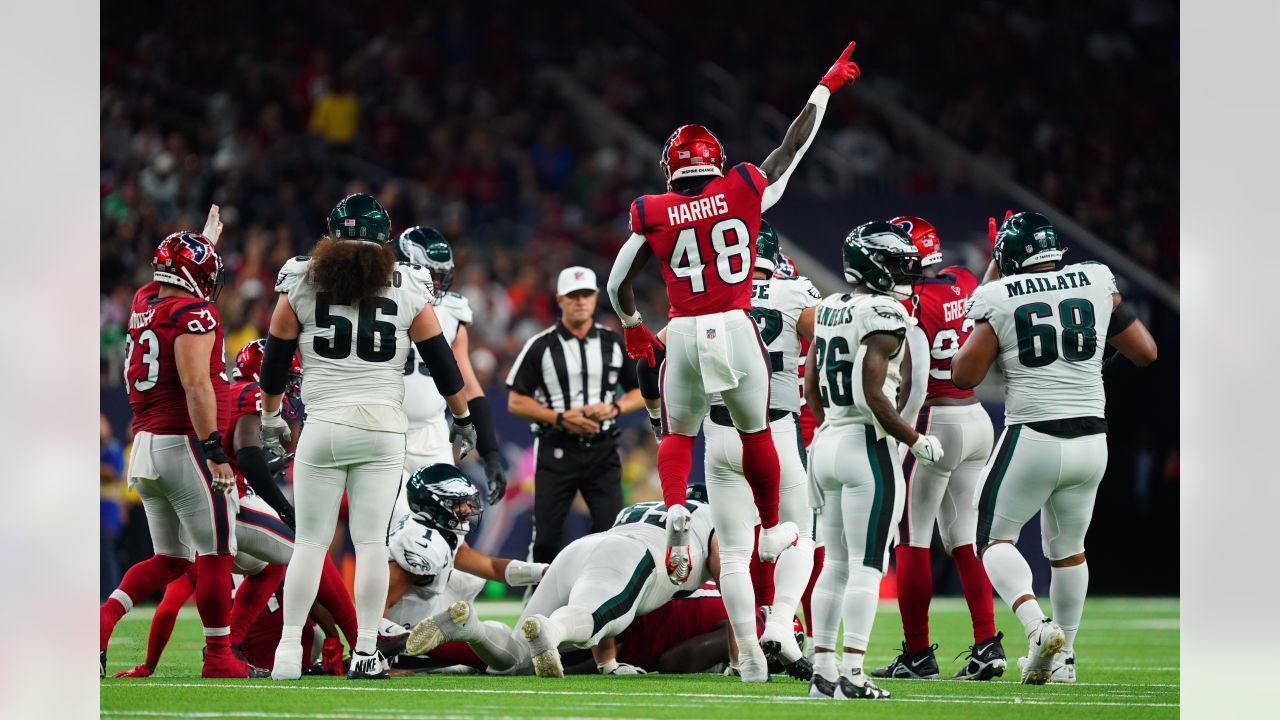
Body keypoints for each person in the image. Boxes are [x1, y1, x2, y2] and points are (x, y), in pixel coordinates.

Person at [606, 41, 863, 585]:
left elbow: (616, 283)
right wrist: (825, 86)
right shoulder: (743, 189)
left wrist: (632, 328)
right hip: (734, 324)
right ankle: (770, 525)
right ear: (714, 162)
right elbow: (792, 146)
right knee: (754, 434)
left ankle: (675, 507)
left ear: (670, 169)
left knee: (678, 433)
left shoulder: (653, 212)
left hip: (682, 330)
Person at [259, 193, 478, 680]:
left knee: (311, 544)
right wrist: (462, 416)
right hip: (382, 427)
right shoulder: (406, 283)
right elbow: (444, 363)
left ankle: (288, 653)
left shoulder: (300, 277)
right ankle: (364, 651)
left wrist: (272, 416)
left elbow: (274, 358)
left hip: (324, 425)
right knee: (372, 544)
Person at [951, 212, 1158, 684]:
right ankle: (1064, 659)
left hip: (1034, 434)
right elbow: (1145, 351)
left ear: (1009, 258)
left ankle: (1036, 627)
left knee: (990, 539)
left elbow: (964, 375)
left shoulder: (998, 294)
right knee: (1068, 550)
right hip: (1091, 438)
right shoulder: (1094, 278)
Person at [634, 220, 820, 681]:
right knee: (799, 535)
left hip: (718, 436)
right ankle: (780, 623)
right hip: (774, 430)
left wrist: (658, 414)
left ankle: (750, 656)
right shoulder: (793, 293)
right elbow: (837, 342)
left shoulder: (703, 305)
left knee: (735, 554)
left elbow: (649, 361)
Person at [101, 216, 259, 679]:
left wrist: (203, 241)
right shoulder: (196, 315)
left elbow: (176, 280)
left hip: (145, 446)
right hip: (185, 444)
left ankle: (103, 618)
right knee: (216, 552)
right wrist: (215, 450)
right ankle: (218, 657)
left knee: (172, 558)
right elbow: (195, 386)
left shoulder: (143, 301)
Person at [803, 222, 945, 701]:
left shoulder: (827, 307)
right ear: (873, 265)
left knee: (835, 565)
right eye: (895, 262)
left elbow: (809, 386)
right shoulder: (886, 311)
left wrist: (827, 426)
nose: (903, 270)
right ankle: (854, 673)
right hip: (866, 443)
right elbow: (872, 393)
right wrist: (914, 437)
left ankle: (823, 671)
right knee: (866, 566)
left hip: (826, 442)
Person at [870, 216, 1006, 681]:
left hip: (933, 421)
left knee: (912, 538)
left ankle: (916, 653)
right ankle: (988, 643)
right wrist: (998, 260)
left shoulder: (906, 302)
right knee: (964, 538)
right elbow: (981, 295)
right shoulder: (965, 280)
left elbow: (909, 379)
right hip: (975, 417)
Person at [405, 488, 718, 677]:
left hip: (583, 548)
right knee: (588, 618)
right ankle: (550, 630)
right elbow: (728, 581)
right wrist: (740, 657)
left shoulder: (636, 509)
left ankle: (471, 628)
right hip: (634, 555)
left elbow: (605, 569)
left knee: (518, 661)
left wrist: (608, 664)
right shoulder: (712, 518)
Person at [505, 267, 644, 563]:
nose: (580, 301)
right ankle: (537, 597)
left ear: (595, 298)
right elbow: (516, 401)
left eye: (586, 295)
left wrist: (614, 408)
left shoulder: (613, 343)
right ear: (560, 300)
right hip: (557, 447)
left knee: (610, 532)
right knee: (546, 538)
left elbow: (641, 391)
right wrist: (559, 417)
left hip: (603, 449)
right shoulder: (541, 345)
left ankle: (598, 596)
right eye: (573, 296)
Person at [377, 464, 547, 666]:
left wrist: (544, 572)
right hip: (413, 647)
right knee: (519, 657)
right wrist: (382, 660)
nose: (468, 509)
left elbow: (492, 567)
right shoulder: (420, 544)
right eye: (457, 503)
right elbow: (378, 603)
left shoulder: (442, 533)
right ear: (434, 506)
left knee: (502, 633)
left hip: (432, 637)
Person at [392, 227, 507, 513]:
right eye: (431, 275)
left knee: (449, 525)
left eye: (441, 276)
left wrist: (491, 454)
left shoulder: (452, 310)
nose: (437, 284)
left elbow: (468, 385)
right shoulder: (375, 303)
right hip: (384, 429)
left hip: (432, 433)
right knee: (391, 530)